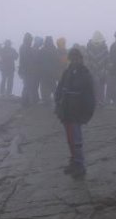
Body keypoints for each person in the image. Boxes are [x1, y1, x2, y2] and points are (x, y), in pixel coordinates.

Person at [55, 48, 96, 178]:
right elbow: (60, 88)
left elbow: (90, 96)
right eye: (72, 58)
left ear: (80, 58)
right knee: (70, 138)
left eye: (76, 58)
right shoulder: (67, 72)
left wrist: (87, 112)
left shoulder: (85, 74)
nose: (74, 60)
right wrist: (58, 103)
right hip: (66, 110)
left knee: (76, 139)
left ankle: (80, 165)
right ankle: (74, 161)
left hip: (76, 111)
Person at [85, 31, 109, 106]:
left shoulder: (103, 48)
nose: (97, 43)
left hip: (101, 70)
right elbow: (87, 59)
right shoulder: (90, 47)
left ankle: (100, 101)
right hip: (93, 70)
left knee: (100, 85)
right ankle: (96, 101)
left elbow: (107, 58)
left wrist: (107, 67)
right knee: (94, 85)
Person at [19, 32, 38, 107]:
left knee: (27, 85)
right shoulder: (25, 47)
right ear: (28, 39)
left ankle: (25, 101)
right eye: (30, 39)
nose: (31, 41)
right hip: (27, 70)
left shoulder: (24, 46)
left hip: (25, 69)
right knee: (27, 85)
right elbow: (28, 59)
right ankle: (24, 101)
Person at [39, 36, 59, 104]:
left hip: (44, 72)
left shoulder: (42, 50)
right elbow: (56, 61)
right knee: (53, 86)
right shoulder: (54, 49)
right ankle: (57, 99)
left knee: (44, 87)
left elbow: (39, 61)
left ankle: (46, 100)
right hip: (52, 72)